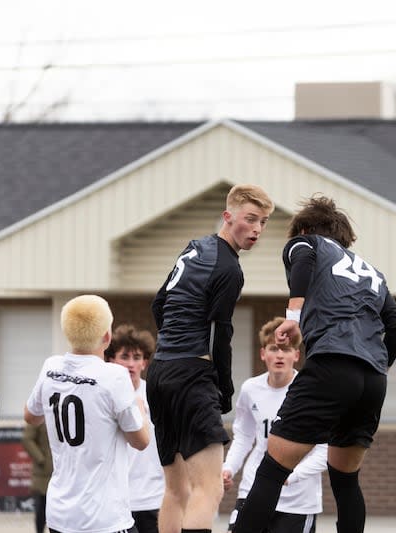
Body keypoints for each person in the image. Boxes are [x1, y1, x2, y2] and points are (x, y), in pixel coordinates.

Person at [233, 195, 396, 533]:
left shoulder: (308, 242)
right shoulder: (373, 273)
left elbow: (303, 258)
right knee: (345, 481)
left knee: (271, 470)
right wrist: (378, 369)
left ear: (306, 229)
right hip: (372, 380)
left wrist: (293, 317)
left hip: (331, 363)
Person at [148, 184, 274, 533]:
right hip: (191, 375)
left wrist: (172, 345)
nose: (257, 230)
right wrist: (224, 387)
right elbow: (221, 334)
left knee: (177, 489)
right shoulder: (229, 269)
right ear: (228, 216)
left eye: (263, 222)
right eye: (250, 219)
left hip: (159, 372)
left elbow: (159, 304)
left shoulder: (195, 248)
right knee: (209, 488)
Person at [24, 294, 150, 533]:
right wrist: (139, 408)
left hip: (60, 514)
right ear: (106, 336)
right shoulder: (114, 376)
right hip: (104, 518)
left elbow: (31, 416)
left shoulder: (50, 367)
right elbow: (141, 441)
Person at [223, 317, 327, 533]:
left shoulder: (312, 393)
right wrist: (229, 468)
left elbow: (325, 450)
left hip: (298, 501)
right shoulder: (250, 389)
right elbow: (243, 436)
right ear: (263, 354)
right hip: (254, 490)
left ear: (296, 355)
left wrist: (292, 475)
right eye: (273, 348)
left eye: (286, 350)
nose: (280, 355)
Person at [104, 324, 165, 533]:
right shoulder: (105, 395)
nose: (131, 364)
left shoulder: (157, 394)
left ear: (145, 363)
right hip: (116, 500)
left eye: (137, 357)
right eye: (125, 356)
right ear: (111, 359)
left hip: (153, 497)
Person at [22, 422, 53, 533]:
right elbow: (27, 439)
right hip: (44, 473)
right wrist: (41, 459)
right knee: (42, 507)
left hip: (65, 468)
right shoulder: (39, 413)